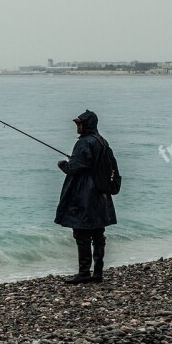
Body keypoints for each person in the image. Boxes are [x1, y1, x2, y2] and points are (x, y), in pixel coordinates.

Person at [55, 110, 117, 284]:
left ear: (87, 125)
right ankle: (97, 273)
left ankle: (84, 274)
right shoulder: (102, 141)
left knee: (81, 233)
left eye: (79, 123)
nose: (77, 126)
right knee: (98, 234)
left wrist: (62, 164)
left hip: (84, 194)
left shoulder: (84, 143)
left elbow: (73, 168)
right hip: (100, 194)